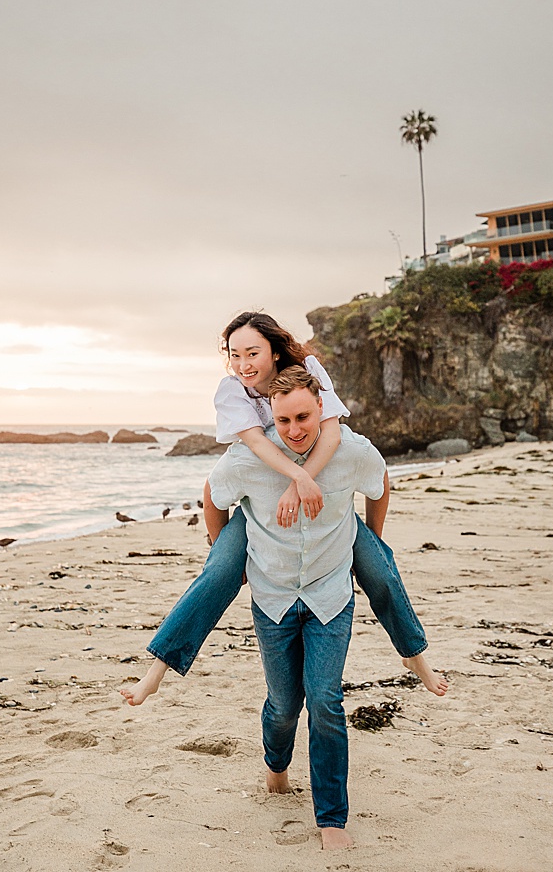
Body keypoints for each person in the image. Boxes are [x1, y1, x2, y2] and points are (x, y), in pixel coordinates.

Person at [120, 311, 446, 706]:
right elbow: (256, 446)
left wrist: (314, 491)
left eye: (253, 353)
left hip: (313, 487)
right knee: (219, 572)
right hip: (258, 501)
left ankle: (415, 658)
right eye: (234, 354)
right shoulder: (232, 392)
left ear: (274, 351)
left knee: (379, 566)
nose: (244, 365)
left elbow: (330, 432)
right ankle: (156, 673)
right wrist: (223, 542)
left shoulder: (307, 372)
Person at [207, 365, 385, 849]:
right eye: (284, 421)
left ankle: (332, 820)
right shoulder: (249, 457)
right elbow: (213, 495)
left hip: (331, 597)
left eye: (304, 417)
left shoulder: (350, 450)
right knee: (285, 706)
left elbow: (380, 482)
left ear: (321, 408)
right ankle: (276, 765)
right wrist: (227, 557)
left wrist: (371, 544)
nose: (295, 430)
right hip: (273, 598)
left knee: (325, 701)